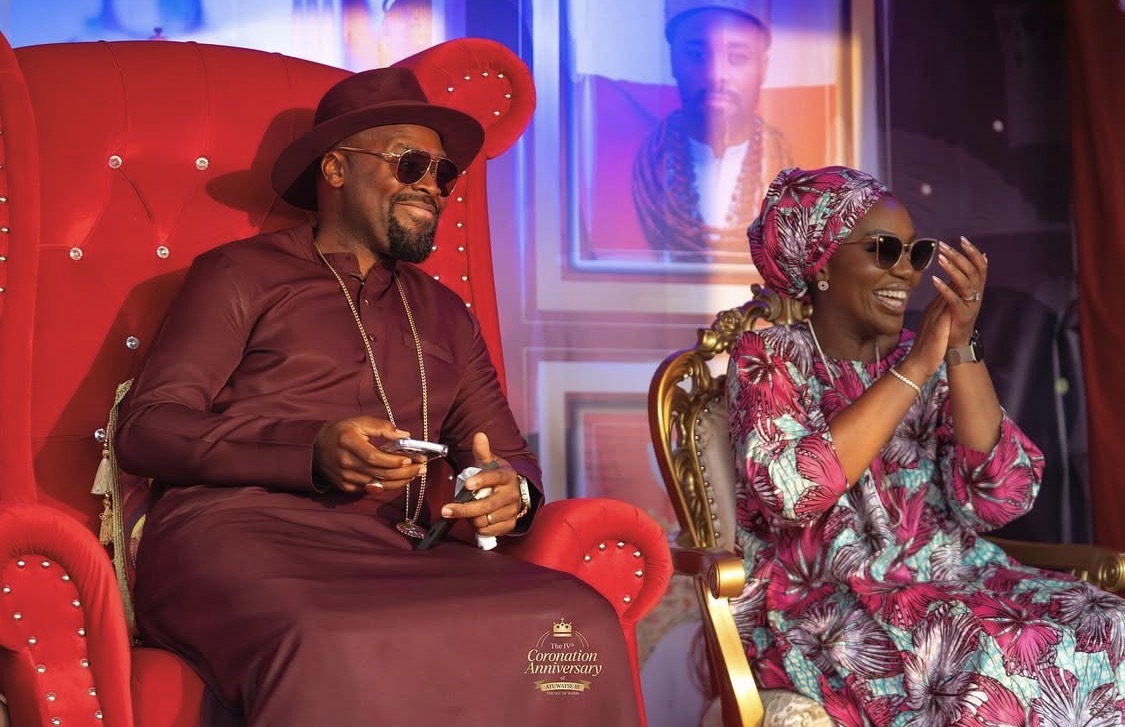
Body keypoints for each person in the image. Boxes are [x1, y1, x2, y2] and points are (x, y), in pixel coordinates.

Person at [115, 67, 642, 727]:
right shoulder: (238, 274)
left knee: (578, 620)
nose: (432, 186)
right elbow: (149, 428)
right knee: (331, 641)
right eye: (411, 163)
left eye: (443, 174)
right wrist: (309, 453)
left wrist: (512, 495)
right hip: (235, 539)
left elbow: (508, 458)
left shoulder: (447, 314)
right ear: (335, 170)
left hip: (394, 545)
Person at [728, 165, 1125, 724]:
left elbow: (1001, 496)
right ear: (819, 262)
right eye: (884, 249)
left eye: (916, 254)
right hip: (830, 607)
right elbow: (795, 491)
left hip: (955, 575)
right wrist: (917, 366)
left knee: (1112, 624)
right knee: (995, 659)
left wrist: (960, 347)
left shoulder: (928, 354)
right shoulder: (767, 358)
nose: (907, 272)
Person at [632, 0, 792, 262]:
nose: (716, 74)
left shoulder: (787, 173)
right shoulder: (650, 166)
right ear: (673, 61)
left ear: (762, 68)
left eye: (738, 58)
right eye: (698, 55)